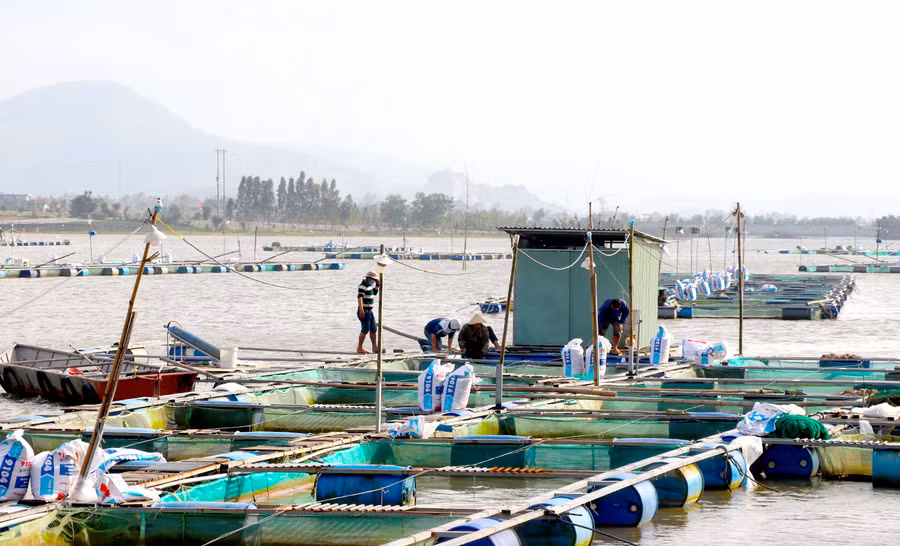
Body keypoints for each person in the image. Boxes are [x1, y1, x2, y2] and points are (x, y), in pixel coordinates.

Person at [356, 271, 379, 354]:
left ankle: (374, 347)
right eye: (374, 280)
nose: (374, 281)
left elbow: (374, 293)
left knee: (373, 329)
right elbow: (360, 298)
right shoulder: (363, 286)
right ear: (369, 278)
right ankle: (359, 347)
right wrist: (361, 310)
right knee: (365, 329)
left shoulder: (369, 286)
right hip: (364, 311)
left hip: (370, 311)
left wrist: (377, 285)